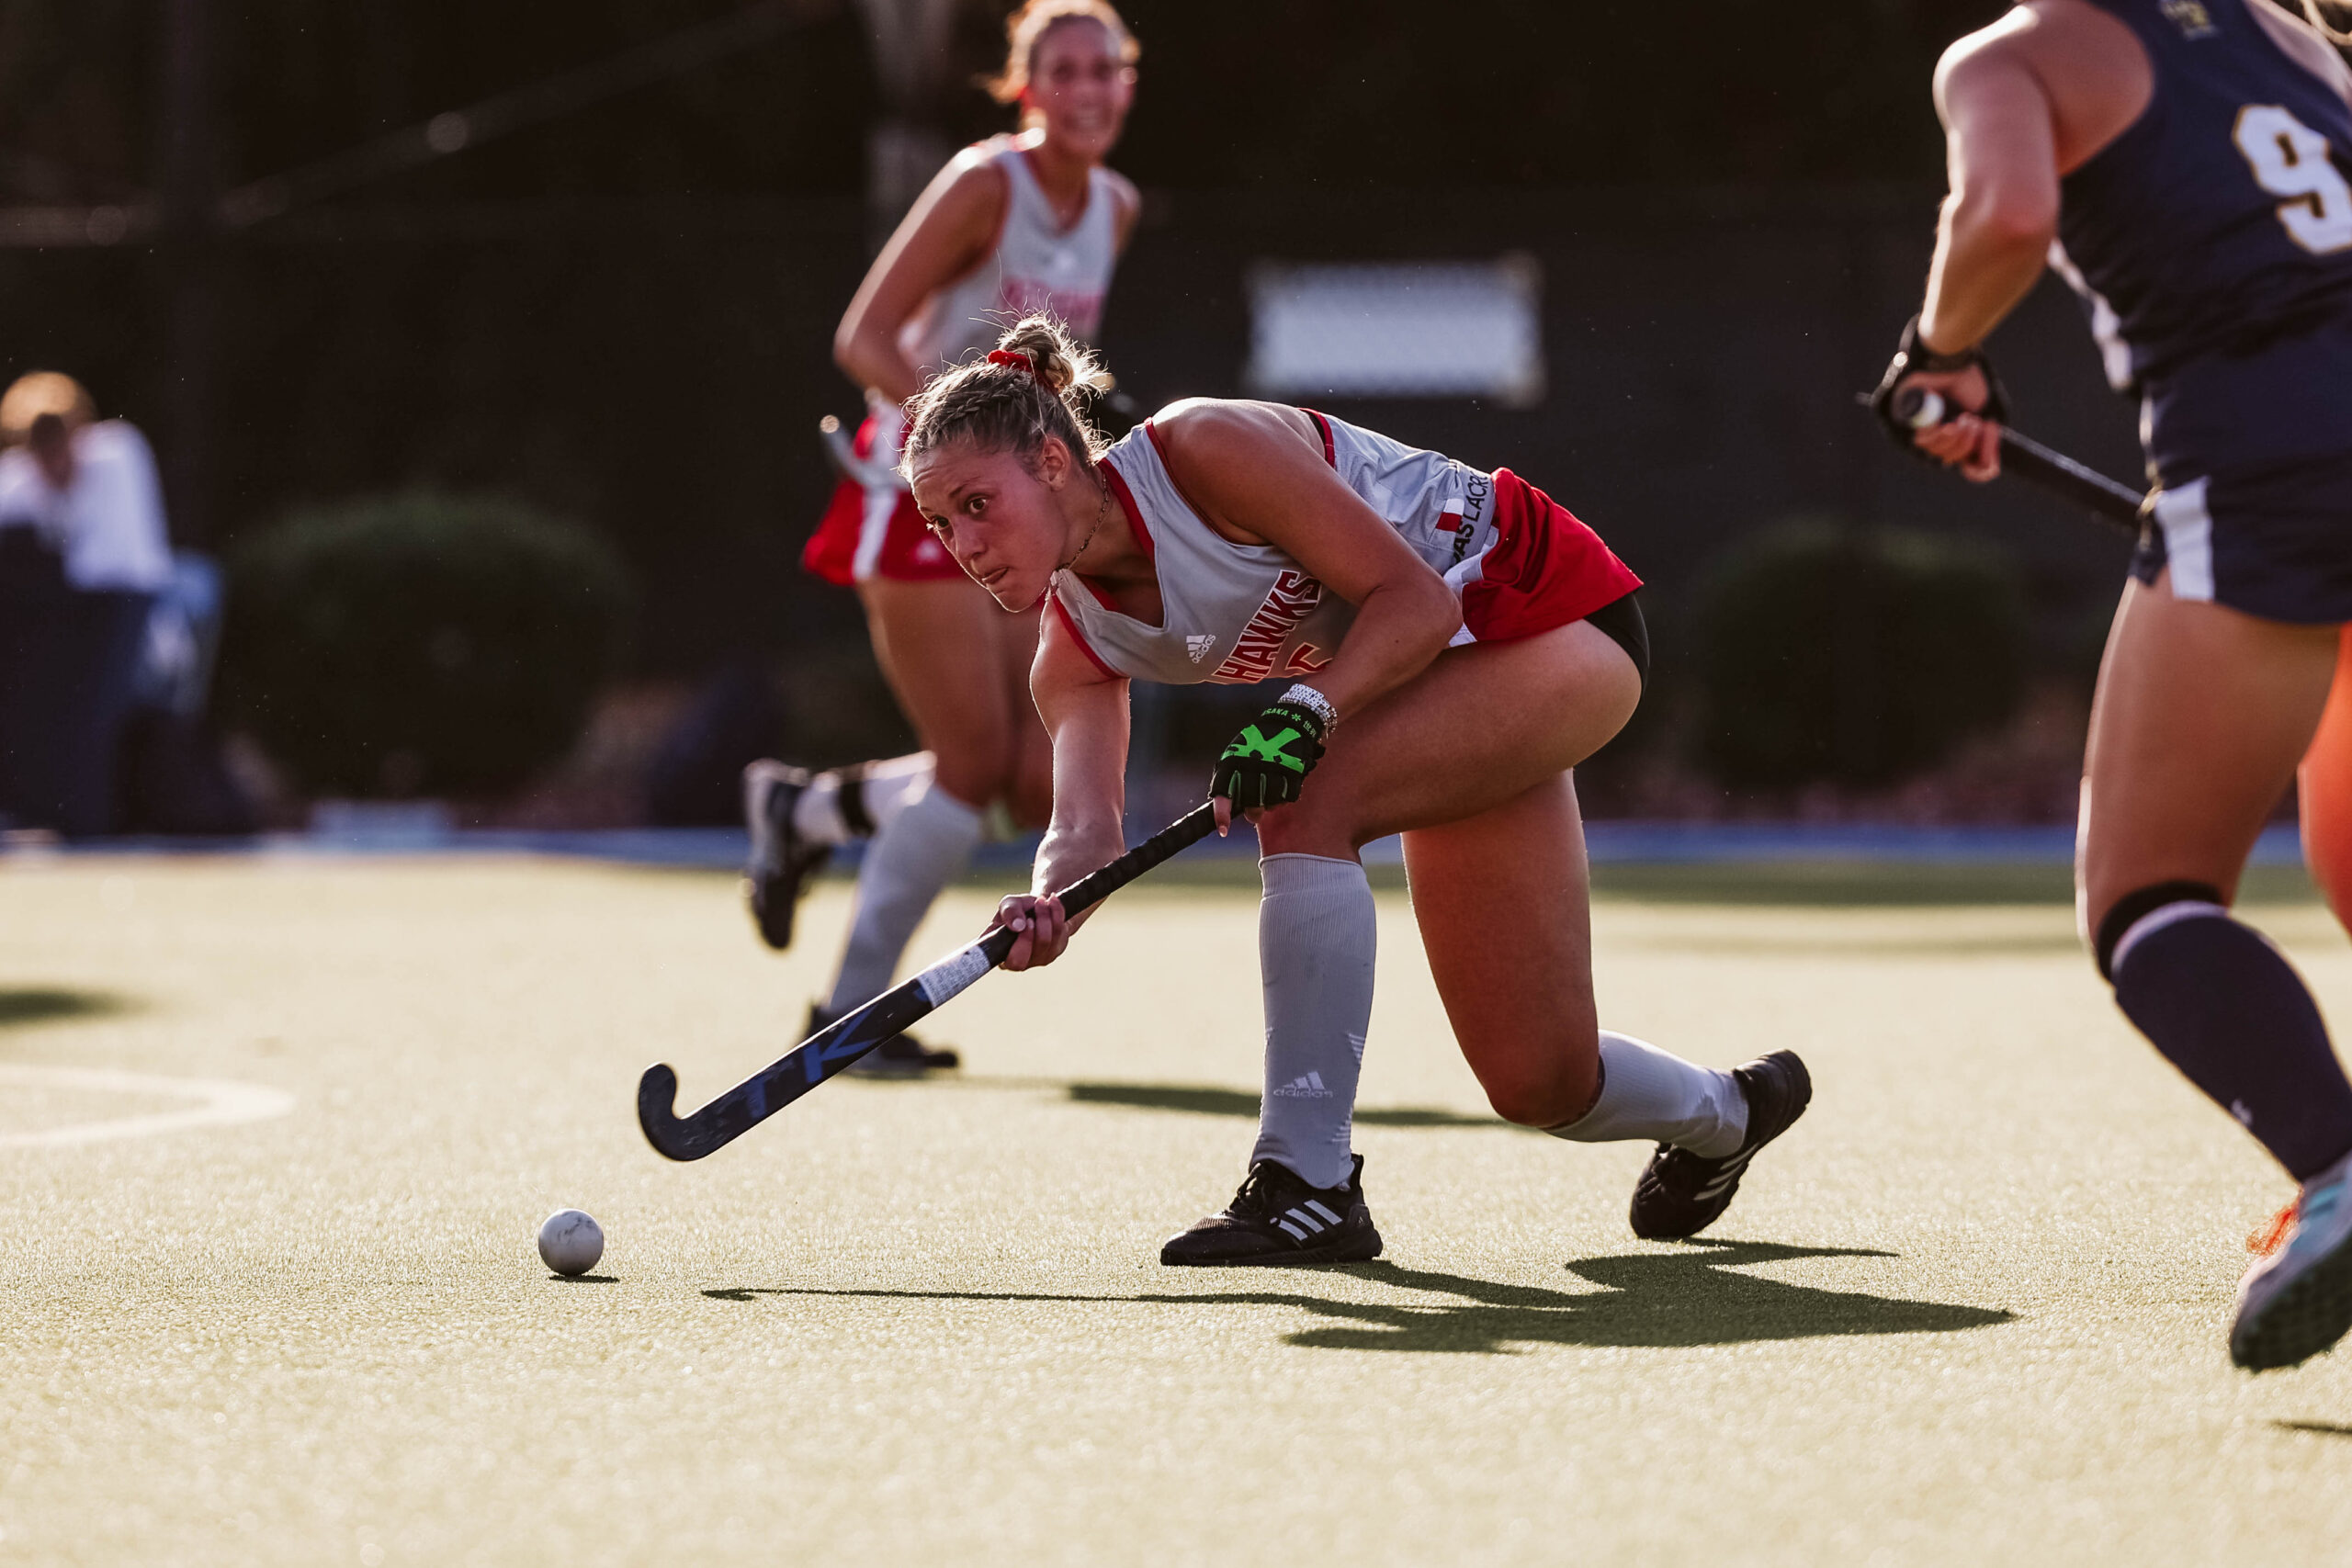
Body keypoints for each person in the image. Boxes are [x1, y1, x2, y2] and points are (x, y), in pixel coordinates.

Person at [903, 315, 1811, 1264]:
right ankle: (1730, 1112)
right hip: (1436, 691)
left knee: (1304, 793)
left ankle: (1307, 1182)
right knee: (1538, 1080)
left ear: (1052, 461)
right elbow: (1084, 831)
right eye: (938, 522)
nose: (961, 542)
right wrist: (1049, 905)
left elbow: (1417, 600)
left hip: (1546, 617)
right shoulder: (1074, 650)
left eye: (975, 503)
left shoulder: (1204, 451)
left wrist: (1303, 714)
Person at [1870, 0, 2352, 1371]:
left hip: (2267, 470)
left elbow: (2008, 216)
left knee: (2148, 898)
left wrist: (1939, 350)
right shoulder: (2291, 31)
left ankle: (2339, 1160)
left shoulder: (2009, 57)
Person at [742, 0, 1142, 1076]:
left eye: (1104, 69)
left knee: (1021, 777)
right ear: (1027, 88)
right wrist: (962, 437)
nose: (1087, 88)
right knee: (970, 761)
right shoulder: (983, 184)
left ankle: (807, 811)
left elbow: (1055, 369)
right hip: (912, 481)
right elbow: (863, 336)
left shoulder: (1114, 206)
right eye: (1062, 70)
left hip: (1009, 495)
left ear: (1127, 84)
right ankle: (848, 1015)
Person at [0, 371, 175, 837]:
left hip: (132, 606)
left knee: (91, 707)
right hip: (70, 617)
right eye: (40, 453)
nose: (51, 465)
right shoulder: (24, 475)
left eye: (59, 448)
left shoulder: (119, 453)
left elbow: (100, 567)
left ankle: (88, 821)